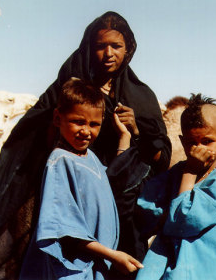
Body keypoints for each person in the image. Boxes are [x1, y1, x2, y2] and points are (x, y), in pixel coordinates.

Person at [0, 11, 171, 280]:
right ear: (89, 47)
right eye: (100, 46)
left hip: (118, 203)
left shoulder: (141, 96)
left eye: (116, 46)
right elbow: (32, 129)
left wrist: (136, 131)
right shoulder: (69, 84)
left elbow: (161, 156)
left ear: (128, 49)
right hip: (69, 191)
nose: (108, 53)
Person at [19, 78, 143, 280]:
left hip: (91, 265)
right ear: (58, 119)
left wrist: (124, 137)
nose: (86, 131)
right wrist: (112, 256)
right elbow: (66, 231)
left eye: (94, 124)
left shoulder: (89, 157)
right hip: (72, 269)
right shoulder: (61, 161)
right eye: (78, 122)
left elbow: (108, 180)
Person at [135, 94, 216, 280]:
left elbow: (183, 221)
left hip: (202, 270)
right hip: (161, 266)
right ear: (181, 140)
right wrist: (165, 219)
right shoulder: (176, 172)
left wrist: (190, 174)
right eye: (191, 143)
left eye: (207, 141)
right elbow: (145, 206)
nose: (198, 149)